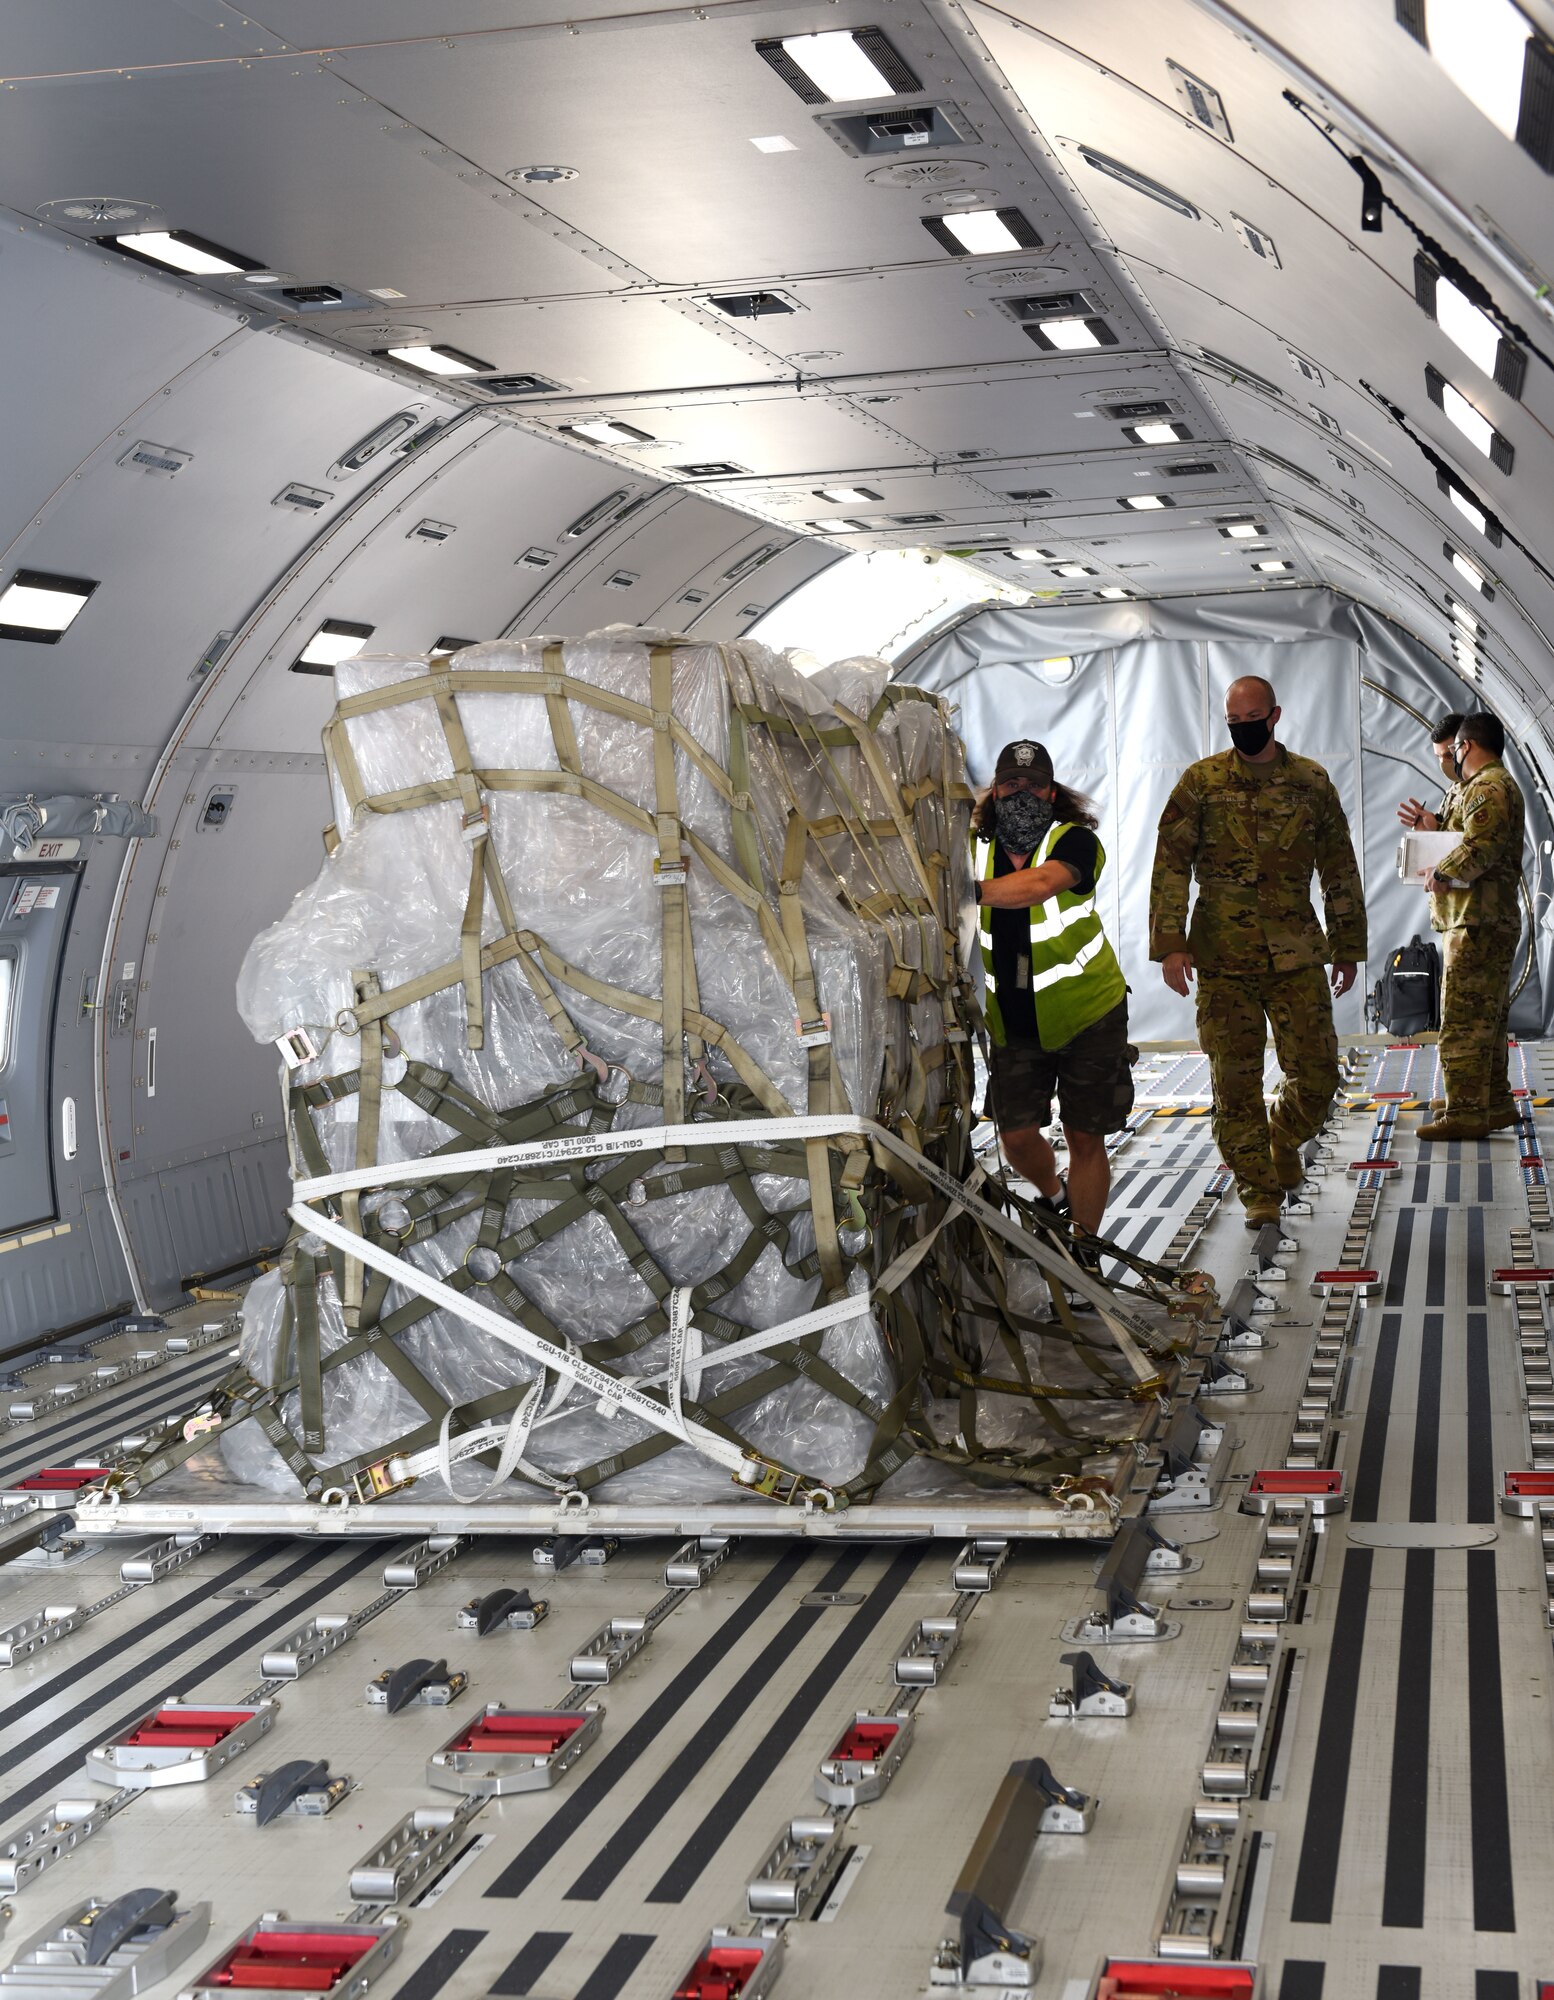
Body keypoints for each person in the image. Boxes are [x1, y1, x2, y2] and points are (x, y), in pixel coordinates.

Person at [1149, 676, 1367, 1228]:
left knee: (1317, 1075)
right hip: (1222, 956)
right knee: (1234, 1081)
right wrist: (1171, 944)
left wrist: (1349, 947)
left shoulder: (1310, 782)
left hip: (1296, 951)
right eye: (1234, 721)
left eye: (1253, 718)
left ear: (1274, 715)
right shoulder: (1201, 782)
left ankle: (1279, 1138)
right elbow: (1171, 864)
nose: (1244, 728)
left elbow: (1338, 867)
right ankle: (1258, 1190)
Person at [974, 738, 1133, 1251]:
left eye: (1033, 785)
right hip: (1015, 1021)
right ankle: (1054, 1192)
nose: (1022, 793)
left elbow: (1039, 885)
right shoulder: (972, 848)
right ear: (994, 791)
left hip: (1088, 1014)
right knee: (1015, 1135)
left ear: (1052, 792)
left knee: (1086, 1136)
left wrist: (963, 889)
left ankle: (1084, 1251)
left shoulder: (1075, 841)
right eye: (1011, 784)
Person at [1417, 710, 1525, 1139]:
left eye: (1455, 749)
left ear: (1467, 746)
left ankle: (1464, 1111)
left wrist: (1440, 872)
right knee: (1488, 1022)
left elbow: (1480, 847)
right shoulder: (1489, 787)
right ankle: (1493, 1102)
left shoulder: (1488, 787)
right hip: (1480, 919)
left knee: (1462, 1021)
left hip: (1478, 921)